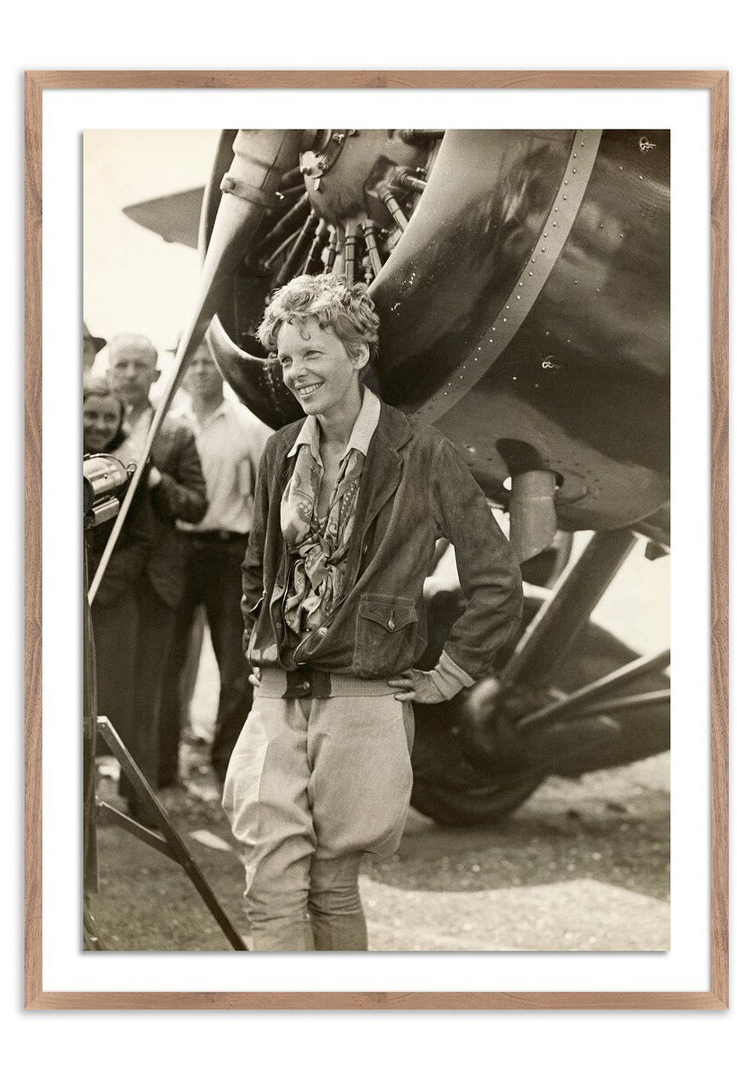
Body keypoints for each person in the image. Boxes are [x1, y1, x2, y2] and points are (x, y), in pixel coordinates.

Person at [223, 275, 523, 951]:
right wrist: (259, 645)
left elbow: (495, 576)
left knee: (332, 888)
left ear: (357, 353)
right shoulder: (281, 450)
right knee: (268, 889)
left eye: (312, 353)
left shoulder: (421, 452)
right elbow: (256, 567)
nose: (295, 372)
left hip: (363, 704)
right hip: (275, 699)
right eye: (287, 357)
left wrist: (449, 675)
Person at [158, 341, 272, 787]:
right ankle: (162, 769)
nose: (202, 370)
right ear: (181, 371)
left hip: (230, 553)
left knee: (236, 666)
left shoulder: (249, 426)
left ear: (223, 368)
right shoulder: (167, 426)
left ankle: (229, 769)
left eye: (209, 362)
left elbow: (268, 494)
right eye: (194, 363)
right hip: (178, 552)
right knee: (168, 662)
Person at [106, 333, 208, 801]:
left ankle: (142, 793)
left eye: (139, 366)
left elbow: (196, 505)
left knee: (150, 687)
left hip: (156, 580)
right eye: (121, 365)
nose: (129, 374)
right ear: (108, 371)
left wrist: (156, 480)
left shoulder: (176, 433)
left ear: (156, 374)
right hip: (101, 578)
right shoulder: (87, 422)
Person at [82, 376, 153, 817]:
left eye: (110, 417)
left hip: (111, 602)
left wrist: (101, 587)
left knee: (116, 699)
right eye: (90, 414)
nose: (99, 424)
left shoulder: (130, 467)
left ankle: (134, 798)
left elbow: (141, 541)